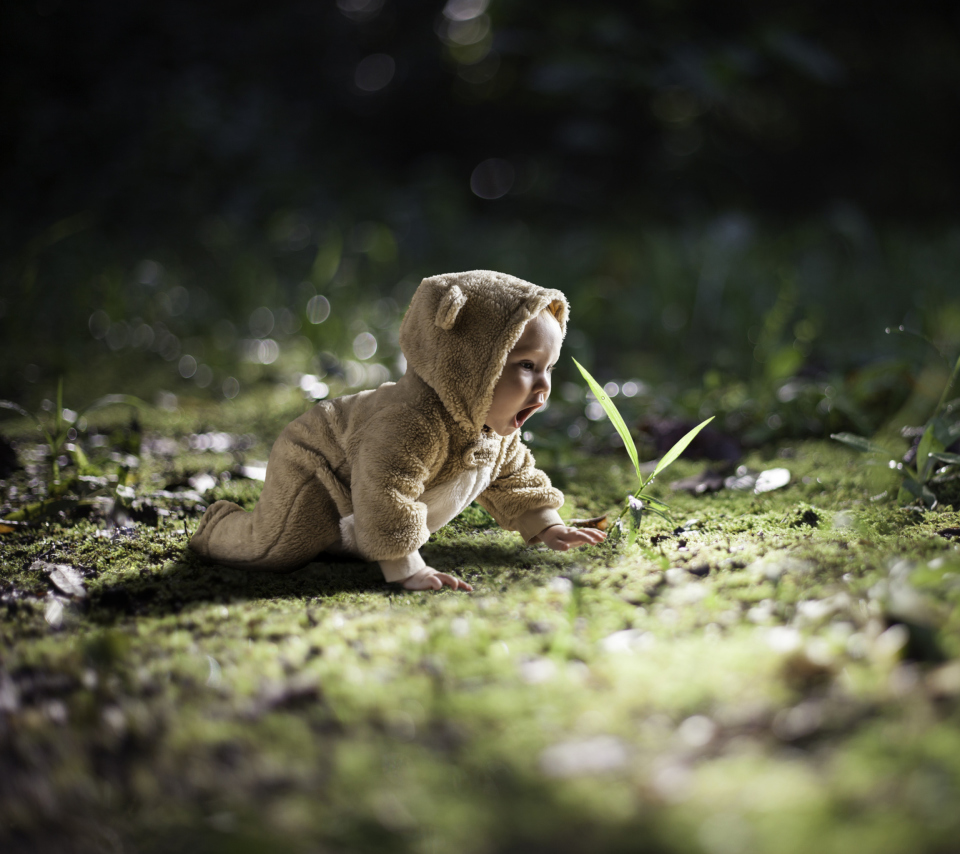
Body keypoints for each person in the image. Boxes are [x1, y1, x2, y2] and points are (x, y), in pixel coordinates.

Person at [189, 270, 606, 591]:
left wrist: (548, 525)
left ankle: (360, 543)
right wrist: (406, 566)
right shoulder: (410, 422)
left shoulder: (491, 431)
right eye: (527, 366)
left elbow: (516, 480)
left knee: (341, 548)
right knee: (278, 548)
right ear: (467, 364)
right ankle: (217, 529)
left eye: (549, 367)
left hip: (363, 504)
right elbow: (382, 489)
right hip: (318, 469)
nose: (545, 385)